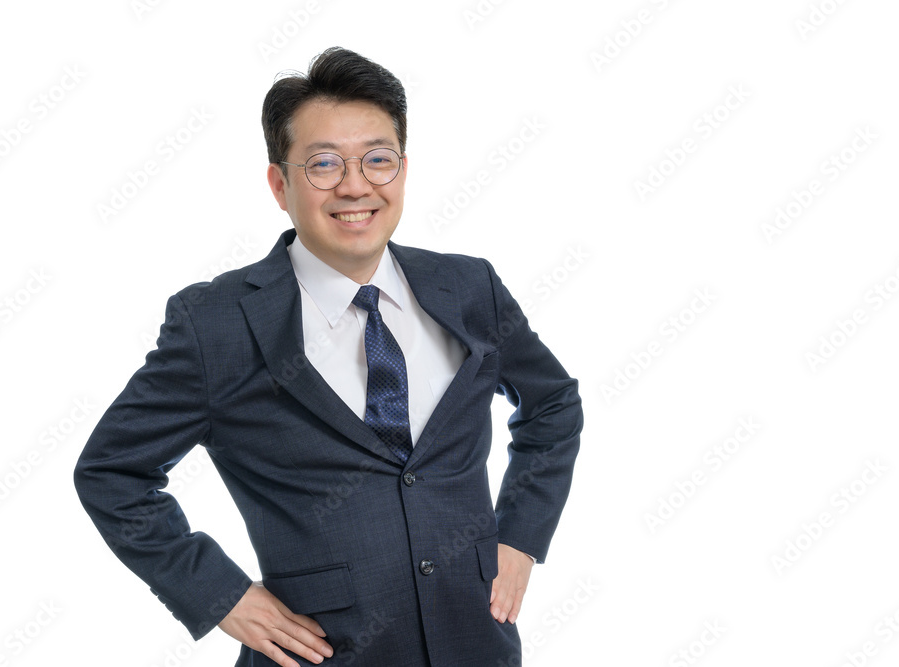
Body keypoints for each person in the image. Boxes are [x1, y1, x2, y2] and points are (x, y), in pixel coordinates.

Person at [74, 46, 582, 667]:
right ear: (279, 185)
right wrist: (220, 596)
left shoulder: (469, 287)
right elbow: (111, 472)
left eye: (378, 159)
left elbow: (553, 404)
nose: (355, 185)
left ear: (402, 169)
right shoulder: (217, 323)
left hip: (477, 645)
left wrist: (522, 537)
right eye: (323, 164)